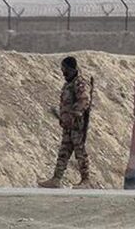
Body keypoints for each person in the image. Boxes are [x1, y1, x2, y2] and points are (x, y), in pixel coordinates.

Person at [38, 56, 92, 189]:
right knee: (63, 152)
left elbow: (84, 100)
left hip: (77, 126)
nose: (63, 72)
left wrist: (73, 115)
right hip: (68, 126)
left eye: (65, 69)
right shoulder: (68, 84)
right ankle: (56, 179)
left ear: (71, 69)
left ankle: (86, 180)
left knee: (80, 152)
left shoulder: (79, 83)